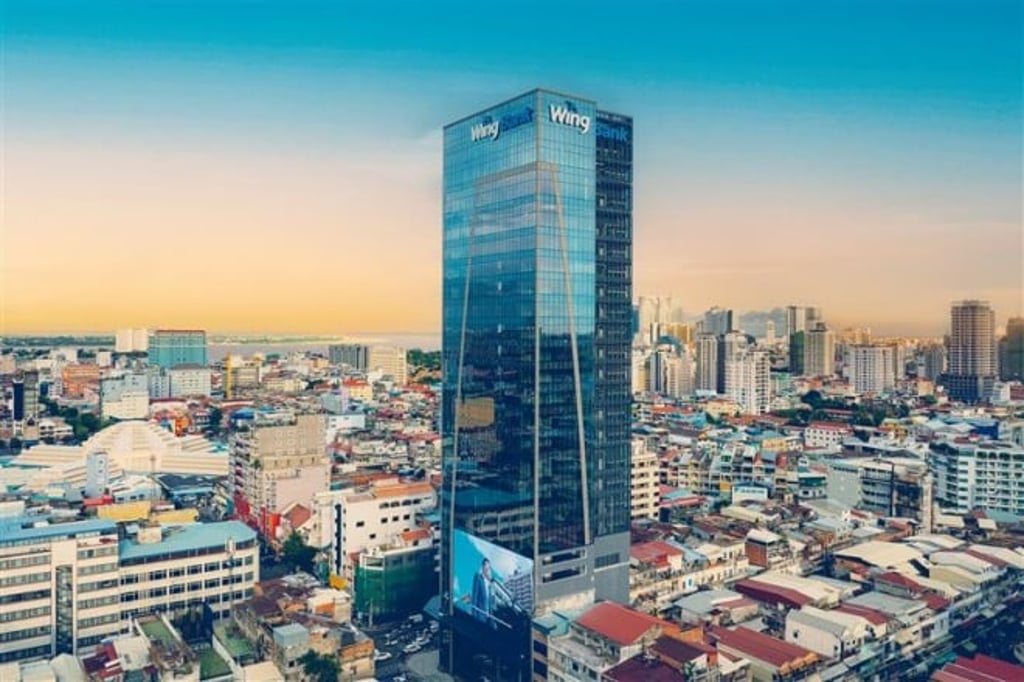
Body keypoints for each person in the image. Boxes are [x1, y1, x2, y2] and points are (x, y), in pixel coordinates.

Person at [471, 558, 492, 624]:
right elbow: (474, 597)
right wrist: (474, 616)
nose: (488, 569)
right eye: (486, 566)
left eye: (489, 567)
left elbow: (491, 602)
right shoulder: (478, 577)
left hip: (489, 618)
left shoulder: (489, 583)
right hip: (480, 616)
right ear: (483, 566)